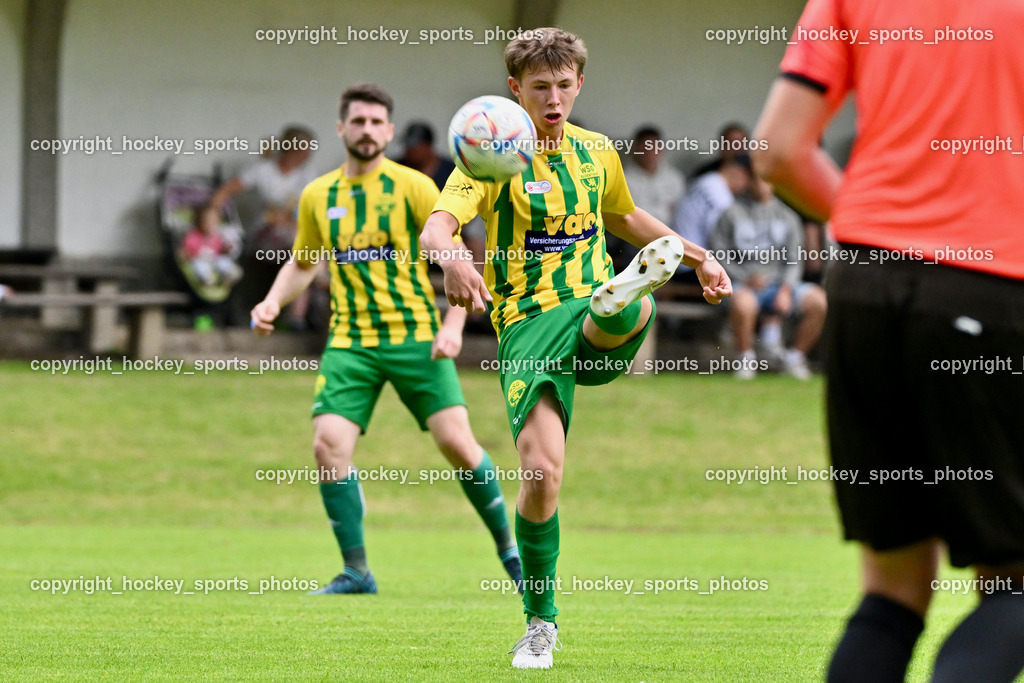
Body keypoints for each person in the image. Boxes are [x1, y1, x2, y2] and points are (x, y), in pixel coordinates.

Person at [420, 28, 732, 670]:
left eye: (564, 86)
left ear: (579, 85)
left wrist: (699, 258)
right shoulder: (489, 154)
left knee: (630, 301)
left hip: (587, 304)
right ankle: (541, 624)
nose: (554, 98)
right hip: (527, 324)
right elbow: (436, 226)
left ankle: (617, 304)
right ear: (516, 91)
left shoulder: (598, 153)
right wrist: (452, 259)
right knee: (541, 476)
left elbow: (624, 216)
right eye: (540, 88)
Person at [753, 1, 1024, 680]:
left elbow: (779, 152)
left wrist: (885, 231)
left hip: (863, 289)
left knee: (894, 587)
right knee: (1014, 582)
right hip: (992, 290)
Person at [250, 84, 523, 597]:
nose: (368, 130)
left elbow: (462, 252)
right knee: (328, 447)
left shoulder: (414, 186)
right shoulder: (318, 195)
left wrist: (453, 325)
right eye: (359, 122)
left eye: (378, 123)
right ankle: (356, 571)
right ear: (342, 128)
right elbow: (304, 263)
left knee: (460, 448)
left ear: (390, 131)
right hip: (350, 343)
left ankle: (510, 551)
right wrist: (272, 301)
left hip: (417, 336)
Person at [709, 175, 826, 379]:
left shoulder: (788, 216)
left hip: (779, 284)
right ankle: (745, 359)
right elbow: (718, 254)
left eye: (766, 179)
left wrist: (786, 288)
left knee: (819, 301)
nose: (761, 184)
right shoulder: (730, 213)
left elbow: (794, 260)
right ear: (749, 181)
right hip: (741, 283)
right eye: (756, 179)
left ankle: (794, 358)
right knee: (743, 303)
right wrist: (745, 277)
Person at [213, 125, 319, 330]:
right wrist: (213, 220)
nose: (307, 156)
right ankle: (297, 315)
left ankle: (298, 315)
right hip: (265, 236)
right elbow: (224, 192)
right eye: (305, 150)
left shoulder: (308, 176)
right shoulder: (263, 171)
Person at [606, 126, 686, 271]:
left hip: (669, 236)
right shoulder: (622, 177)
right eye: (645, 147)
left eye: (654, 147)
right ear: (635, 149)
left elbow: (680, 214)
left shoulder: (674, 178)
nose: (650, 153)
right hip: (633, 237)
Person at [180, 203, 243, 288]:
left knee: (223, 260)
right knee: (198, 264)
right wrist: (185, 255)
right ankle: (206, 278)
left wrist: (226, 250)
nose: (211, 224)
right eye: (207, 221)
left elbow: (220, 250)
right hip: (200, 258)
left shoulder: (216, 236)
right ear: (199, 221)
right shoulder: (193, 235)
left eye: (214, 221)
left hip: (214, 259)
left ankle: (230, 272)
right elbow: (186, 250)